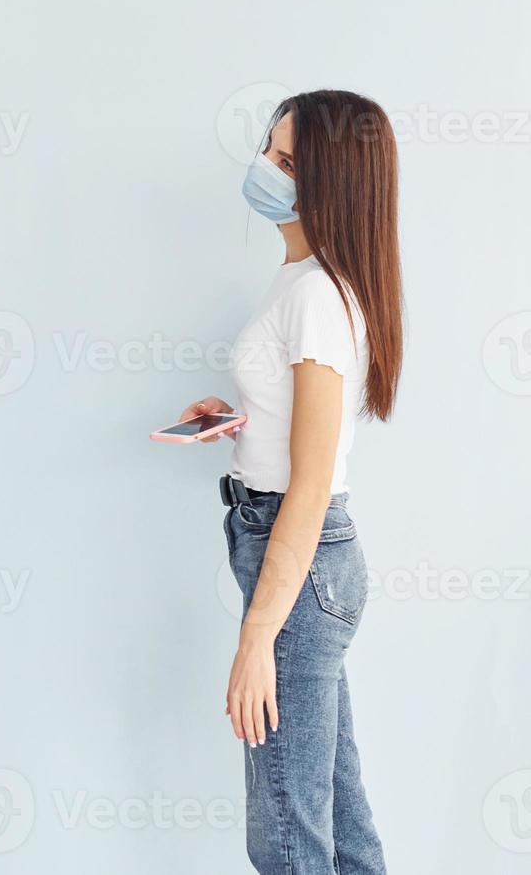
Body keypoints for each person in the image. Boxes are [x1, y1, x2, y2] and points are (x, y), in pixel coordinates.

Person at [182, 90, 400, 873]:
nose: (263, 170)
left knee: (285, 833)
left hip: (298, 565)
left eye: (286, 162)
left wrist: (256, 640)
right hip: (296, 556)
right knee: (338, 821)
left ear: (332, 185)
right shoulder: (307, 282)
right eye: (268, 150)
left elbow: (308, 488)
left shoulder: (315, 296)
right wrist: (240, 418)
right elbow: (302, 440)